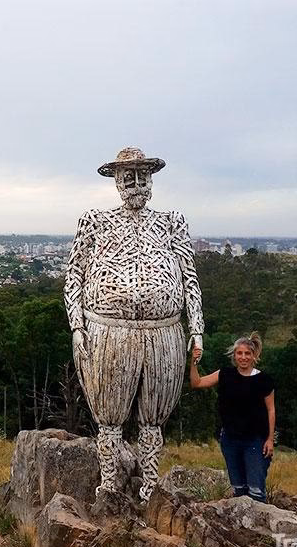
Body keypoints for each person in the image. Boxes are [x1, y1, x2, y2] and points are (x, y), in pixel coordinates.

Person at [64, 147, 204, 500]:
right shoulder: (95, 221)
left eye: (144, 177)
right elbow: (74, 276)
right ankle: (109, 488)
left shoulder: (171, 222)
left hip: (164, 331)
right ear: (116, 181)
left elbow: (189, 276)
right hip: (108, 331)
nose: (137, 184)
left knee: (154, 419)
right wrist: (77, 325)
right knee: (109, 418)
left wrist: (197, 327)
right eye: (129, 177)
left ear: (152, 180)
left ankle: (150, 489)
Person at [189, 332, 276, 503]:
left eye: (247, 354)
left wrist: (270, 439)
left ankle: (258, 524)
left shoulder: (264, 380)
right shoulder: (225, 375)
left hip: (255, 440)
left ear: (254, 356)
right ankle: (242, 528)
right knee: (238, 488)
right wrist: (193, 362)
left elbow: (271, 410)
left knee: (256, 490)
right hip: (230, 439)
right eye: (239, 353)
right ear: (234, 355)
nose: (243, 357)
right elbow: (197, 383)